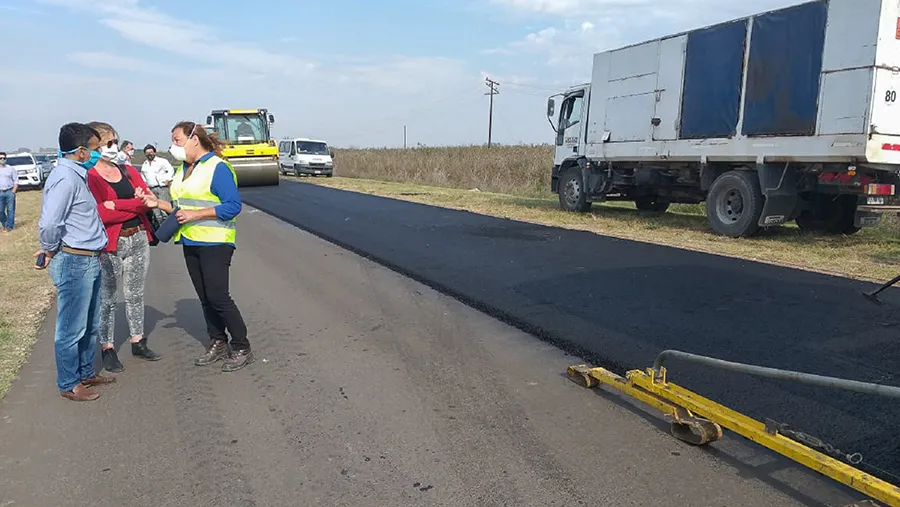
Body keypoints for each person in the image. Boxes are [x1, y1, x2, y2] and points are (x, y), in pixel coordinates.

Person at [141, 121, 253, 372]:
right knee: (204, 297)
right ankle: (218, 341)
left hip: (215, 242)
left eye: (177, 140)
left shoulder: (217, 168)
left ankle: (242, 345)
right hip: (190, 240)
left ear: (194, 139)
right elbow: (181, 208)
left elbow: (233, 206)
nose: (173, 146)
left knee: (218, 296)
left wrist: (196, 215)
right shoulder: (183, 170)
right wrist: (158, 204)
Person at [35, 122, 116, 402]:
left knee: (90, 323)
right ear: (81, 151)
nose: (99, 153)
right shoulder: (65, 178)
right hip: (75, 260)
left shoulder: (77, 175)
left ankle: (84, 372)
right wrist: (48, 249)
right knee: (71, 327)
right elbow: (50, 222)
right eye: (96, 149)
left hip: (90, 258)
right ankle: (69, 383)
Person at [85, 121, 160, 373]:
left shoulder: (127, 170)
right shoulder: (90, 176)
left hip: (138, 236)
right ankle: (107, 347)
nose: (113, 147)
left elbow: (147, 202)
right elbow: (98, 214)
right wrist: (129, 204)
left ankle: (138, 340)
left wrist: (116, 205)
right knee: (107, 298)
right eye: (109, 143)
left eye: (115, 141)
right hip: (110, 244)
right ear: (94, 146)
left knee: (135, 293)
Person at [139, 144, 174, 223]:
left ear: (155, 152)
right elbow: (143, 176)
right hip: (151, 189)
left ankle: (168, 229)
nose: (149, 154)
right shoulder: (145, 164)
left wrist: (167, 179)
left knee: (164, 210)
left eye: (151, 152)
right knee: (156, 212)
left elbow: (170, 170)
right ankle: (159, 230)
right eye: (147, 153)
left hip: (161, 188)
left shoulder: (162, 161)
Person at [0, 152, 17, 232]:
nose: (2, 160)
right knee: (0, 211)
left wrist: (13, 191)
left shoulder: (10, 169)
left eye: (4, 158)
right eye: (1, 158)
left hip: (9, 191)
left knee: (11, 210)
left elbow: (16, 181)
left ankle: (10, 226)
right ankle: (5, 223)